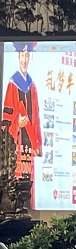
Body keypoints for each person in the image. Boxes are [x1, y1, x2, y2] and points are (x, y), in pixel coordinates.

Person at [2, 42, 40, 182]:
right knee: (17, 179)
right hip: (17, 145)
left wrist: (37, 143)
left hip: (29, 147)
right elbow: (6, 116)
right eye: (22, 56)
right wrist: (16, 123)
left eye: (27, 56)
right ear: (18, 56)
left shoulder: (32, 86)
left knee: (28, 180)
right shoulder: (12, 84)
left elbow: (36, 118)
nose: (24, 60)